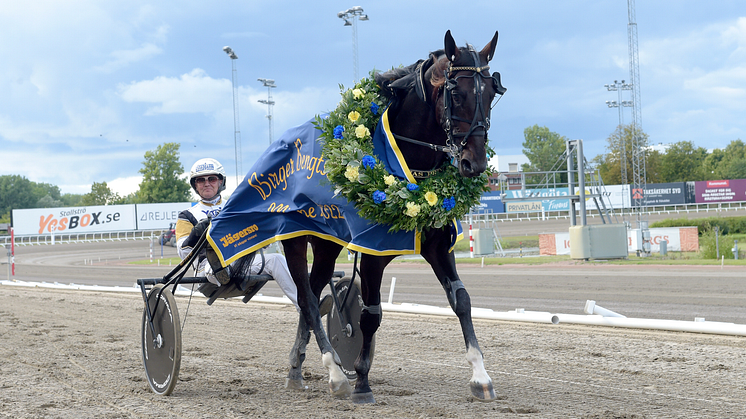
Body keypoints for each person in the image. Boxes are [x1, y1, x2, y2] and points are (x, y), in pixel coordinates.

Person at [175, 158, 301, 312]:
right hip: (206, 268)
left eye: (212, 179)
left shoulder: (235, 206)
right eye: (201, 180)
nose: (207, 183)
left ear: (221, 182)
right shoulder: (187, 215)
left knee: (276, 259)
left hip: (241, 263)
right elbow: (183, 253)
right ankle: (221, 268)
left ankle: (305, 306)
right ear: (195, 185)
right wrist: (195, 235)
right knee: (216, 264)